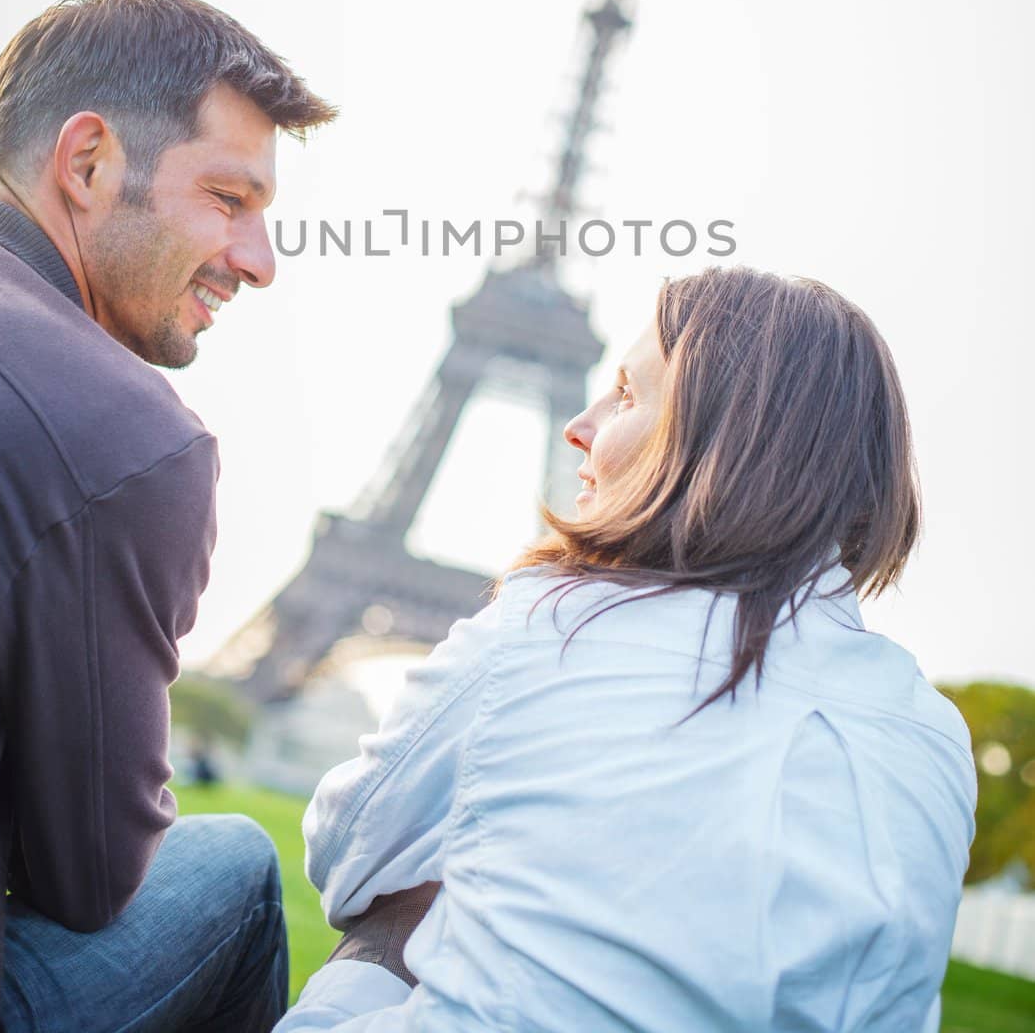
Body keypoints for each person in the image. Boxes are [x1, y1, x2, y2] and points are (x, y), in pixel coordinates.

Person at [277, 266, 976, 1033]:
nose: (581, 422)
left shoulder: (551, 619)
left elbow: (345, 863)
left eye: (627, 395)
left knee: (342, 912)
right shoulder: (934, 736)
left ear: (721, 443)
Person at [0, 0, 335, 1031]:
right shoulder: (124, 435)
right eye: (229, 200)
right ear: (88, 163)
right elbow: (89, 877)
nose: (260, 263)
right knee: (232, 861)